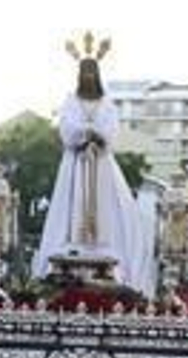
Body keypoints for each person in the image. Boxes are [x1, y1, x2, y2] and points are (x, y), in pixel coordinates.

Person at [33, 44, 154, 294]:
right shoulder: (71, 100)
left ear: (97, 75)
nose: (88, 77)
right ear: (80, 75)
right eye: (84, 72)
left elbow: (111, 129)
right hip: (76, 161)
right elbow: (66, 127)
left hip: (101, 161)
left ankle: (104, 254)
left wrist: (97, 135)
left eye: (92, 72)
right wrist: (84, 133)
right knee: (71, 204)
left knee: (108, 207)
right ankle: (71, 248)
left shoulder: (106, 103)